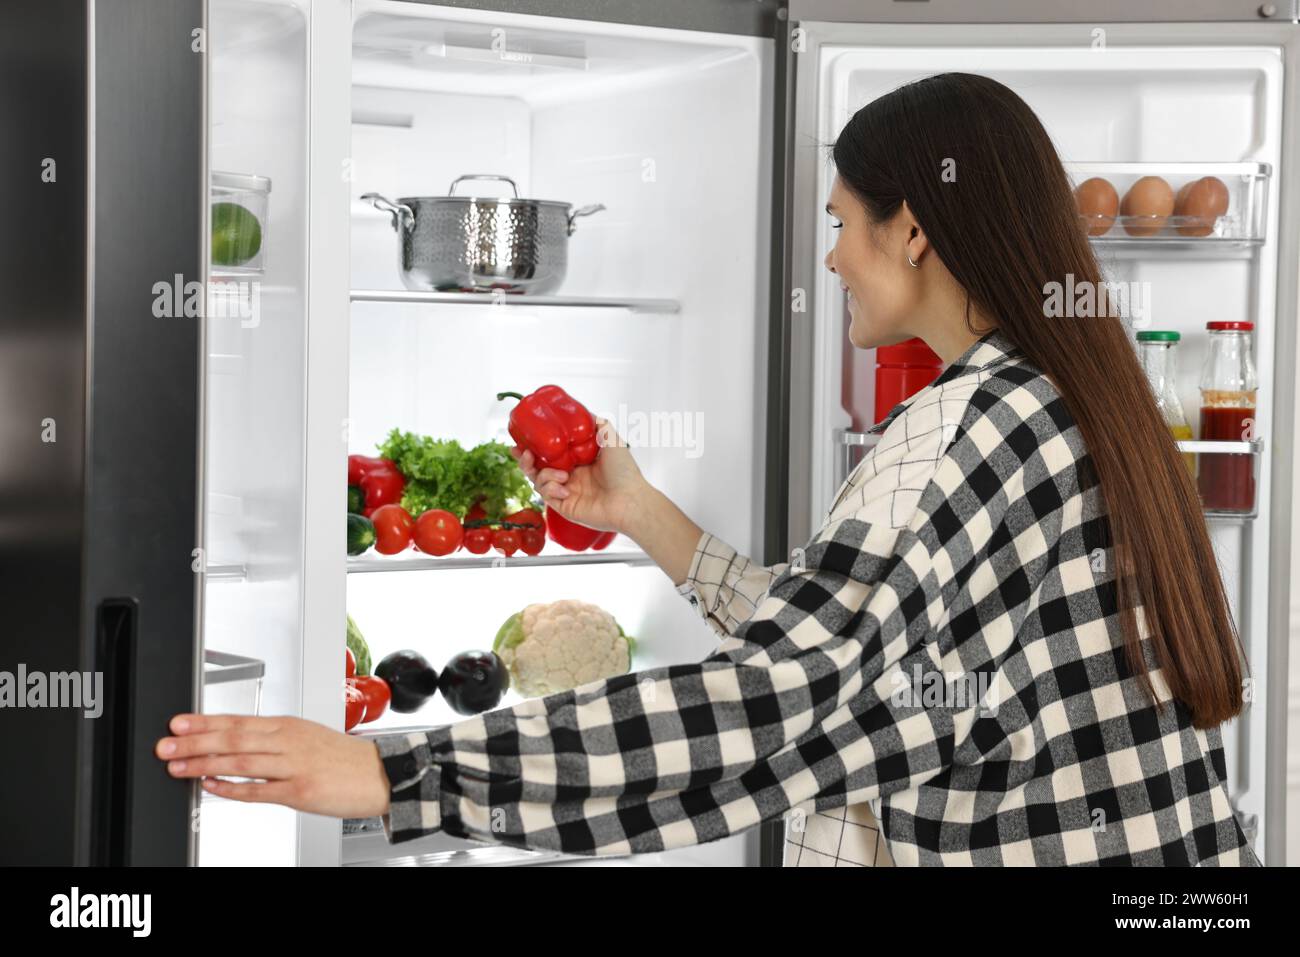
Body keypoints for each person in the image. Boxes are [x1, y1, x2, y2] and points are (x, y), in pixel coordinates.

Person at [155, 72, 1259, 866]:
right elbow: (866, 652)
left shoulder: (953, 428)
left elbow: (771, 699)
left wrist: (404, 776)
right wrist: (638, 511)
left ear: (911, 230)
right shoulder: (1062, 398)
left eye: (842, 224)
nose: (830, 258)